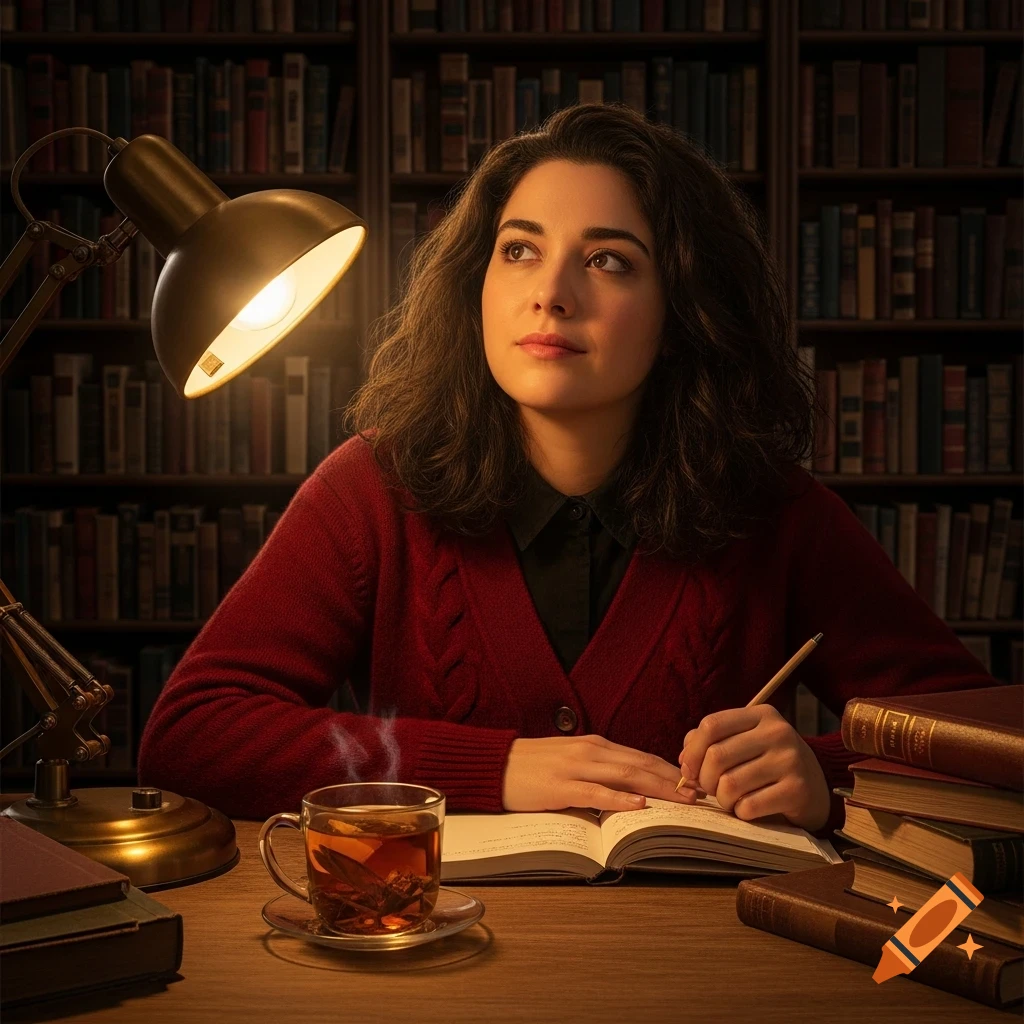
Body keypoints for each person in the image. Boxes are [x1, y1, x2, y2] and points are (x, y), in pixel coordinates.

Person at [137, 103, 997, 838]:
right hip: (426, 966)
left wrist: (823, 779)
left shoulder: (772, 510)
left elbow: (990, 740)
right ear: (475, 283)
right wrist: (492, 771)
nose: (550, 292)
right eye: (519, 250)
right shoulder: (373, 490)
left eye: (607, 260)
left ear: (684, 309)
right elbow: (192, 739)